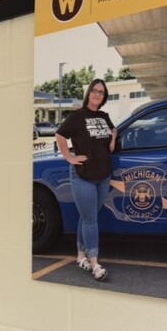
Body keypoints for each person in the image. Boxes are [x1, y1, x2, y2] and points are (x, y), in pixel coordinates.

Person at [55, 79, 117, 281]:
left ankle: (80, 255)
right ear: (89, 93)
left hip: (103, 175)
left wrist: (113, 138)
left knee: (87, 215)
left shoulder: (104, 116)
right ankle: (94, 263)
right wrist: (69, 157)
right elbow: (60, 136)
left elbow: (113, 129)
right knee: (91, 219)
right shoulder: (77, 116)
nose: (98, 94)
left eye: (101, 92)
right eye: (95, 91)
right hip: (83, 175)